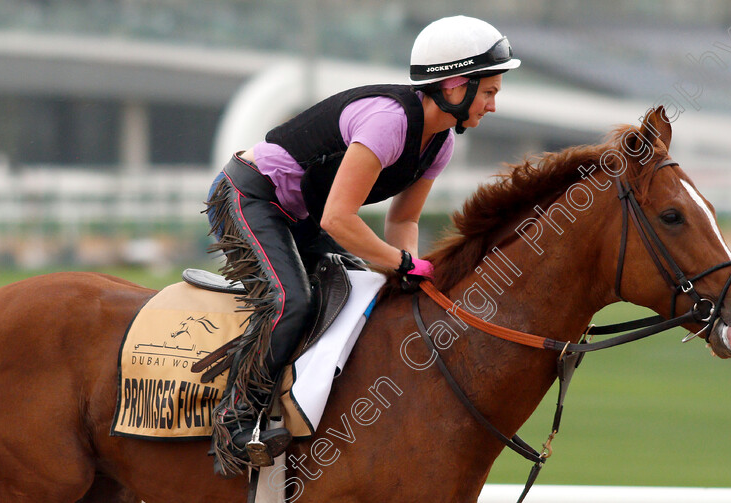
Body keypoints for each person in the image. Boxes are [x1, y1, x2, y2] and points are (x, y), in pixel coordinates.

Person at [205, 14, 521, 477]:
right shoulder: (389, 123)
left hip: (302, 216)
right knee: (292, 300)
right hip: (249, 197)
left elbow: (404, 218)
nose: (493, 104)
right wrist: (400, 263)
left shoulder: (440, 144)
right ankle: (234, 424)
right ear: (454, 86)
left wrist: (406, 269)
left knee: (368, 293)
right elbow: (338, 218)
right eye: (490, 91)